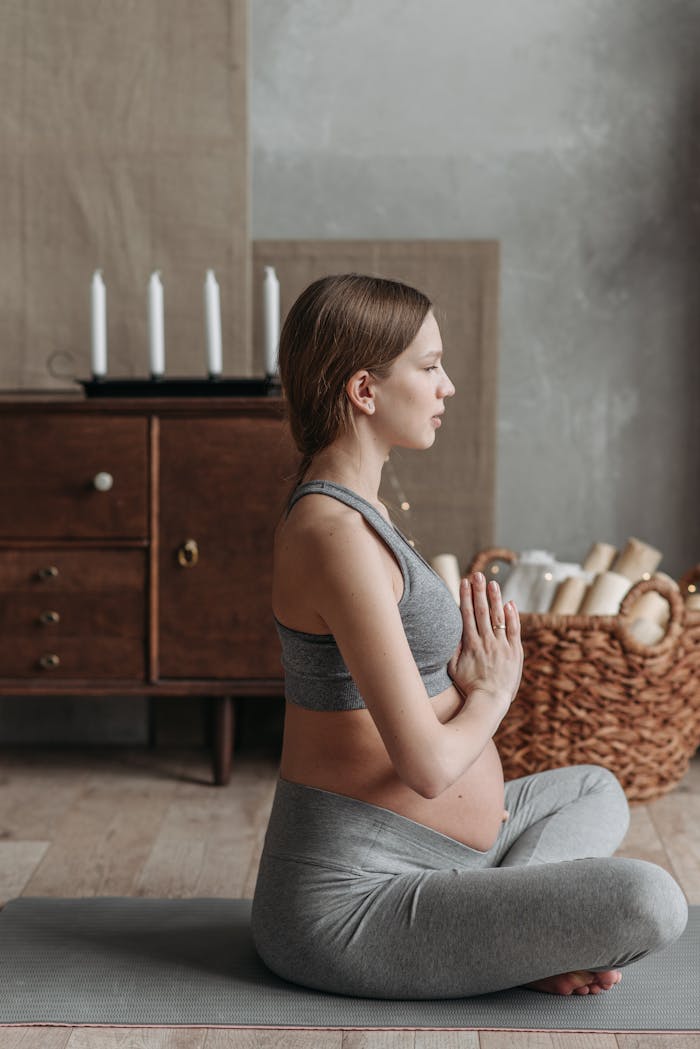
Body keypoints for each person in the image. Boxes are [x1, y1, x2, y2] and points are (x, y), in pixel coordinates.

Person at [251, 273, 687, 1000]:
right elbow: (423, 765)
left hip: (451, 858)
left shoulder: (361, 515)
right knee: (651, 901)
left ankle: (510, 926)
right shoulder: (334, 536)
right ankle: (517, 930)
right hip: (355, 903)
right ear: (365, 389)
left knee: (596, 788)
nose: (446, 385)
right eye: (428, 366)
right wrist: (493, 691)